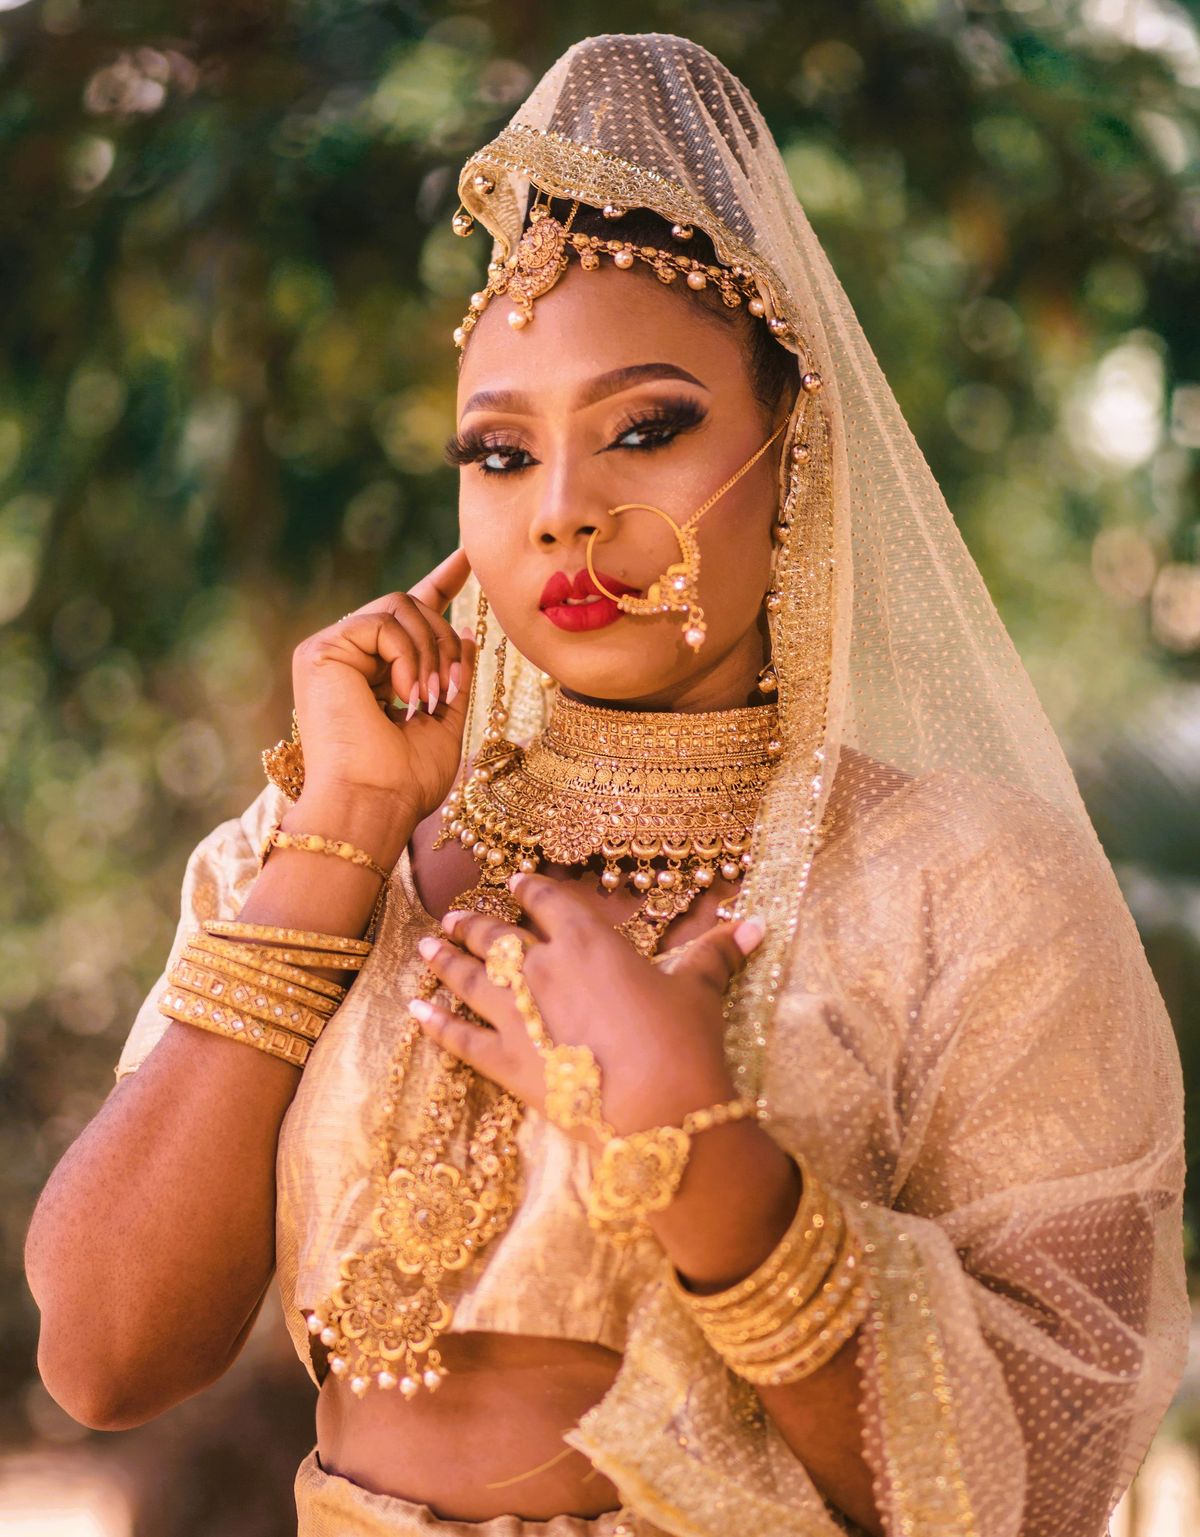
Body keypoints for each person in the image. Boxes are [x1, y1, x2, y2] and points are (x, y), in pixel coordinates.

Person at [25, 31, 1189, 1537]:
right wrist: (340, 836)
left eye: (645, 429)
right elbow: (104, 1357)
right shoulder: (322, 837)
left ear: (795, 447)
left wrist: (699, 1153)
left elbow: (1051, 1477)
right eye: (500, 453)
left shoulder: (966, 886)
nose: (564, 511)